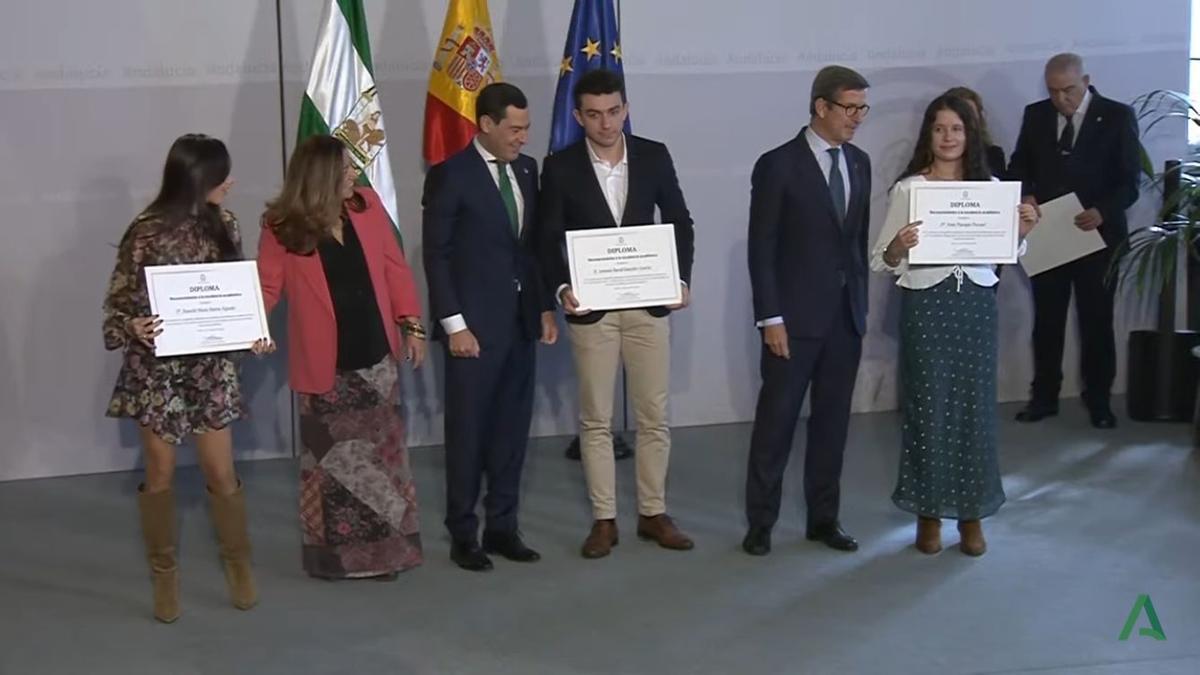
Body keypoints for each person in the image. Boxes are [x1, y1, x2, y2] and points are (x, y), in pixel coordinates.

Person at [103, 133, 270, 622]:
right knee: (160, 472)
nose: (230, 183)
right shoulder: (145, 231)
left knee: (221, 471)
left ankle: (238, 563)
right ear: (197, 179)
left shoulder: (227, 224)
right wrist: (132, 325)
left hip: (210, 368)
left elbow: (236, 295)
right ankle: (163, 572)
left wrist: (252, 332)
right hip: (156, 370)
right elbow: (116, 305)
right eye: (222, 175)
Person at [871, 95, 1039, 556]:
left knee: (974, 410)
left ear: (971, 135)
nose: (948, 137)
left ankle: (971, 515)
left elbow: (1006, 252)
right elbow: (881, 258)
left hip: (975, 307)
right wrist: (899, 245)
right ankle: (928, 513)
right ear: (929, 134)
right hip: (926, 305)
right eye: (940, 128)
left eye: (957, 129)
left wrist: (1022, 232)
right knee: (928, 408)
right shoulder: (909, 189)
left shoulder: (992, 187)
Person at [540, 69, 697, 559]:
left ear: (625, 110)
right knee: (596, 419)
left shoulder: (653, 155)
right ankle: (604, 519)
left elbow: (679, 220)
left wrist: (680, 279)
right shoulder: (560, 166)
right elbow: (546, 238)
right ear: (578, 116)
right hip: (593, 310)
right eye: (594, 115)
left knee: (654, 414)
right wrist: (562, 287)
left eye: (613, 112)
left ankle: (653, 513)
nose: (605, 123)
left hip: (649, 304)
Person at [258, 135, 426, 580]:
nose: (354, 173)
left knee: (383, 464)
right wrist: (251, 328)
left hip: (376, 359)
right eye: (346, 168)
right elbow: (267, 287)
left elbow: (394, 269)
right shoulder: (281, 227)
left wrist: (411, 325)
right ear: (321, 177)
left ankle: (386, 556)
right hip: (324, 368)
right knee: (331, 470)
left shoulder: (367, 206)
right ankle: (336, 561)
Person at [422, 82, 558, 572]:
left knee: (511, 431)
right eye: (514, 129)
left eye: (526, 128)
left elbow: (530, 249)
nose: (523, 137)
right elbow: (436, 255)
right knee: (468, 432)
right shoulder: (450, 175)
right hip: (472, 331)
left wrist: (542, 308)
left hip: (519, 325)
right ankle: (464, 532)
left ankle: (503, 526)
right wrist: (454, 325)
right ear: (486, 125)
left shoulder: (527, 169)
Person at [743, 66, 872, 556]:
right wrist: (770, 317)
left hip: (845, 319)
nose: (856, 118)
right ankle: (761, 523)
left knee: (832, 426)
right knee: (775, 425)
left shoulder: (860, 162)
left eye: (862, 109)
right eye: (849, 108)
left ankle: (824, 520)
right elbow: (762, 247)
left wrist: (860, 306)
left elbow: (855, 243)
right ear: (821, 106)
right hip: (792, 322)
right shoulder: (778, 164)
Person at [1008, 53, 1140, 429]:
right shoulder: (1036, 115)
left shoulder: (1117, 116)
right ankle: (1044, 397)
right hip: (1049, 235)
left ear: (1085, 81)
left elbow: (1130, 181)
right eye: (1053, 91)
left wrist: (1102, 211)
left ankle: (1099, 400)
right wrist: (1026, 194)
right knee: (1047, 321)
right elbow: (1019, 165)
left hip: (1096, 237)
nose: (1060, 98)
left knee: (1096, 321)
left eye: (1068, 90)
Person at [944, 86, 1007, 178]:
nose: (964, 120)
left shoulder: (993, 155)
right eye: (959, 114)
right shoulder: (930, 155)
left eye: (970, 113)